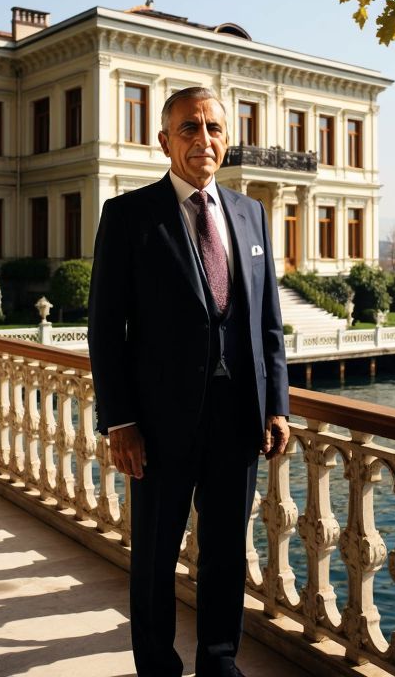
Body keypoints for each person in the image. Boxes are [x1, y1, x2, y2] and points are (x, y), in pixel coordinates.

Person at [88, 86, 290, 677]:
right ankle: (156, 664)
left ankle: (220, 660)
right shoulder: (128, 216)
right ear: (164, 141)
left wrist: (276, 404)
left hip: (238, 419)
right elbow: (105, 327)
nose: (204, 139)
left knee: (227, 551)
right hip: (157, 421)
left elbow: (268, 320)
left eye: (214, 129)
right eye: (189, 128)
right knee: (155, 555)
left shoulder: (250, 213)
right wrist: (120, 420)